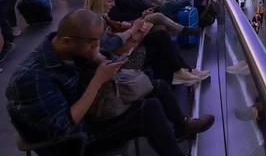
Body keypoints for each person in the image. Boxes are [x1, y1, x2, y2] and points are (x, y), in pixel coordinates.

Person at [5, 9, 214, 156]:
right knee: (148, 110)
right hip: (71, 140)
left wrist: (99, 59)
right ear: (67, 41)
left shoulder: (74, 49)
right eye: (93, 43)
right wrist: (97, 80)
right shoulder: (32, 78)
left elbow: (116, 64)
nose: (97, 46)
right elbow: (63, 128)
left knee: (157, 86)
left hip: (91, 112)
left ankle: (181, 126)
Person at [84, 0, 206, 85]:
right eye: (110, 1)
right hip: (122, 59)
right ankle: (179, 72)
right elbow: (109, 45)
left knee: (160, 34)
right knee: (160, 40)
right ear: (99, 1)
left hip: (122, 50)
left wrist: (123, 26)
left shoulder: (100, 16)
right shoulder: (94, 21)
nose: (113, 4)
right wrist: (132, 30)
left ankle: (182, 71)